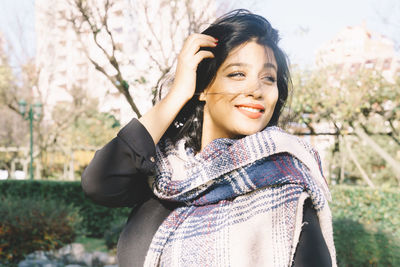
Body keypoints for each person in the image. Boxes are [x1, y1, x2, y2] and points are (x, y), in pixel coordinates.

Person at [82, 9, 336, 267]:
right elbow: (99, 183)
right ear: (202, 87)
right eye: (237, 74)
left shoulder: (287, 194)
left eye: (268, 78)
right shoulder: (165, 177)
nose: (256, 90)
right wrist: (178, 93)